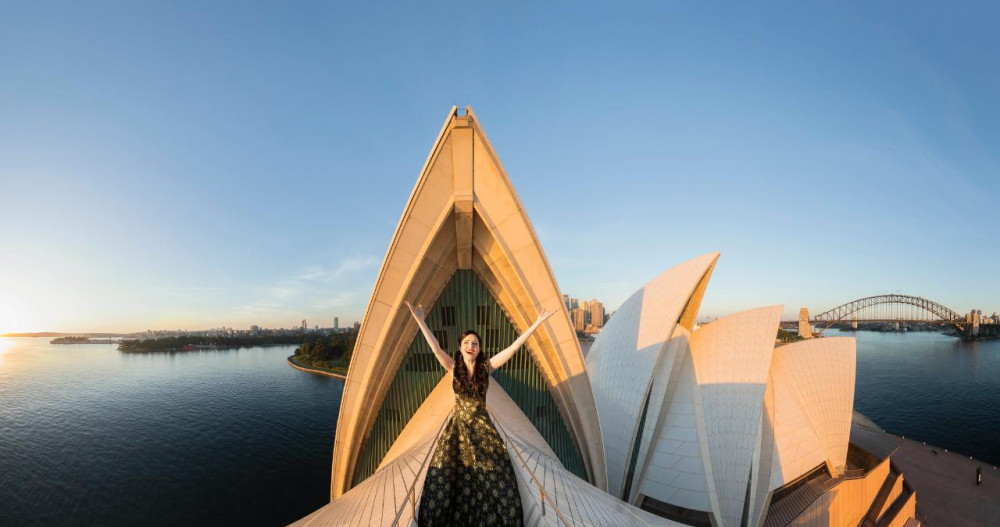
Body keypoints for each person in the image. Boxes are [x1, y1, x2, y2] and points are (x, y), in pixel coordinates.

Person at [404, 300, 556, 527]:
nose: (471, 346)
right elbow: (435, 348)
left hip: (483, 430)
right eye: (467, 342)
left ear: (479, 348)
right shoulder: (453, 367)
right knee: (447, 480)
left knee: (494, 478)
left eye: (475, 343)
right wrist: (419, 321)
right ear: (460, 347)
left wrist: (537, 323)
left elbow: (513, 348)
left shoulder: (487, 368)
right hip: (458, 430)